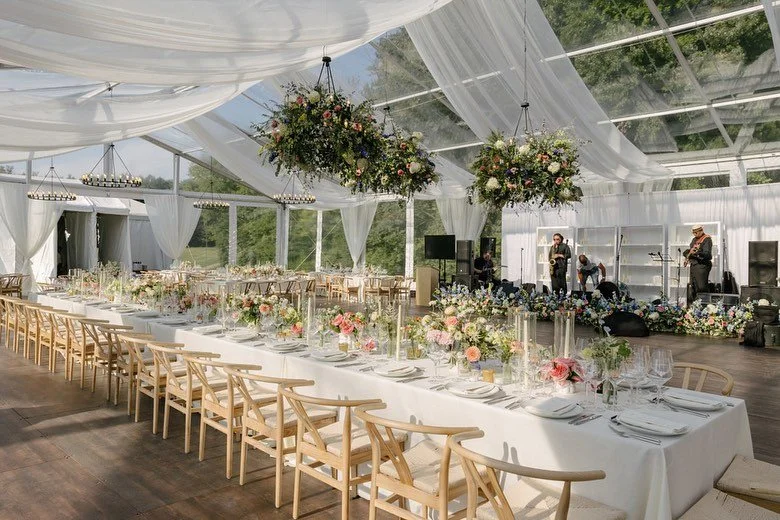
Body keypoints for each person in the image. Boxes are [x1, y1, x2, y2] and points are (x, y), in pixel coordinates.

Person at [684, 224, 713, 298]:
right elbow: (691, 250)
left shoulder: (707, 239)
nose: (695, 234)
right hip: (694, 265)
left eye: (696, 232)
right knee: (693, 286)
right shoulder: (694, 239)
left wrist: (696, 253)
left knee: (701, 287)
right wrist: (688, 253)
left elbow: (707, 255)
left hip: (702, 266)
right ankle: (695, 306)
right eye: (693, 233)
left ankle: (704, 306)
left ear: (701, 231)